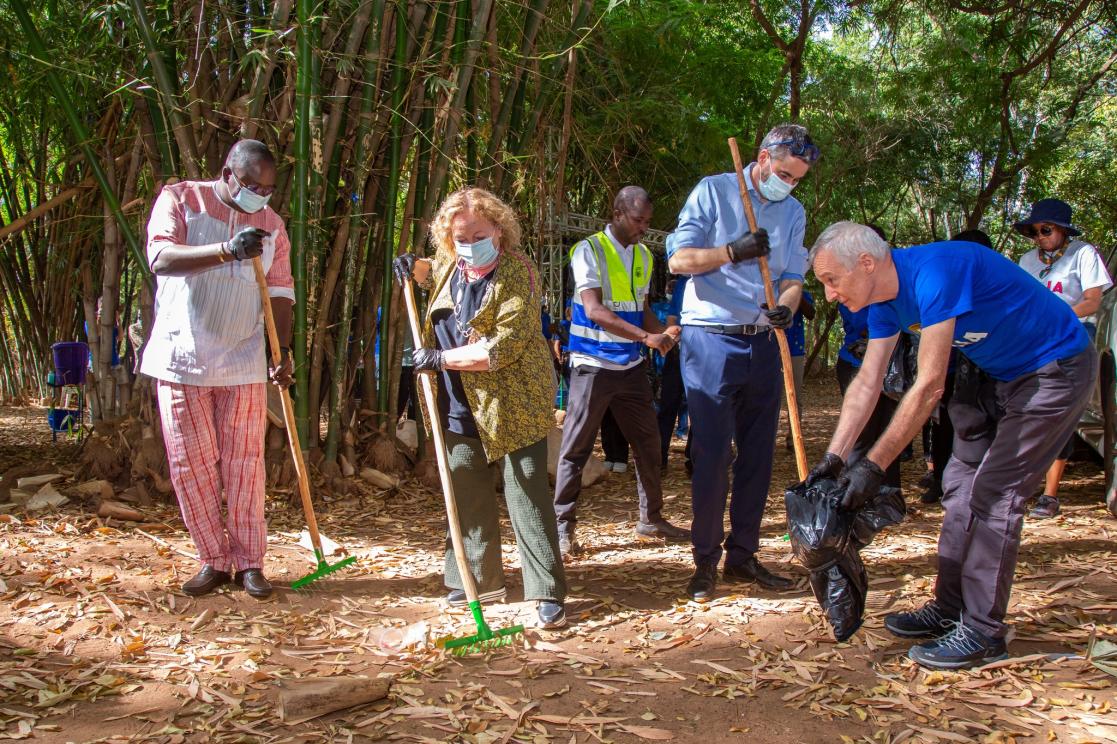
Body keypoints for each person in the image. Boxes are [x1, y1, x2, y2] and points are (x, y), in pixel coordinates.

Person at [809, 221, 1095, 670]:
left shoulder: (936, 270)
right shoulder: (883, 300)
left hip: (1053, 369)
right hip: (1000, 377)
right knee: (958, 486)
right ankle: (950, 609)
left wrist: (874, 466)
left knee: (996, 495)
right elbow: (867, 381)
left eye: (831, 280)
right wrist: (835, 457)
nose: (829, 294)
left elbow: (928, 386)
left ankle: (984, 632)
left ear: (866, 263)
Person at [391, 187, 568, 629]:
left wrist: (437, 359)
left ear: (499, 231)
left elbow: (502, 347)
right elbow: (431, 274)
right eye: (460, 236)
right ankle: (479, 578)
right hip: (458, 399)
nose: (469, 242)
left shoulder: (518, 273)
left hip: (513, 400)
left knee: (525, 488)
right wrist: (413, 267)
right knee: (465, 485)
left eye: (478, 233)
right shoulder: (454, 267)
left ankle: (545, 589)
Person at [668, 123, 819, 601]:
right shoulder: (714, 191)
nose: (788, 184)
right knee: (712, 455)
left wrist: (788, 309)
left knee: (757, 455)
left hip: (763, 340)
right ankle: (705, 560)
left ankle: (744, 554)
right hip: (709, 335)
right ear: (761, 157)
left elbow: (794, 277)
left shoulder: (793, 212)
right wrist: (731, 252)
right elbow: (678, 260)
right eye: (783, 173)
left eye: (797, 179)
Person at [141, 139, 295, 600]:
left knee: (246, 464)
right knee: (192, 465)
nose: (259, 197)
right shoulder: (182, 199)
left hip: (243, 359)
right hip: (181, 357)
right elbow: (160, 258)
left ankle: (250, 562)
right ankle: (212, 558)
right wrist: (227, 250)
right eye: (251, 186)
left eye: (267, 189)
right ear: (228, 174)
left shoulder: (272, 225)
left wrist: (280, 352)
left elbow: (282, 292)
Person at [553, 186, 690, 556]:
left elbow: (640, 306)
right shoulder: (589, 250)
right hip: (592, 365)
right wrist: (647, 336)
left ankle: (652, 517)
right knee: (576, 448)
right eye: (638, 220)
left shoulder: (644, 255)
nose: (644, 228)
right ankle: (562, 527)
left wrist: (659, 334)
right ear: (616, 213)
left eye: (647, 221)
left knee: (648, 444)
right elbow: (595, 310)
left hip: (630, 367)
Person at [1015, 199, 1112, 518]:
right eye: (1033, 231)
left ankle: (1050, 494)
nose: (1038, 236)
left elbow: (1092, 301)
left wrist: (1056, 315)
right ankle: (1021, 487)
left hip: (1071, 335)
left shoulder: (1083, 254)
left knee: (1059, 413)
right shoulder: (1028, 260)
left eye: (1045, 229)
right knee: (1027, 412)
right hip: (1033, 340)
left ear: (1063, 231)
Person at [657, 274, 689, 470]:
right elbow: (672, 318)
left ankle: (695, 459)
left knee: (701, 406)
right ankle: (659, 458)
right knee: (668, 405)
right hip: (678, 352)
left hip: (707, 353)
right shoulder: (684, 283)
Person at [784, 289, 815, 449]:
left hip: (795, 349)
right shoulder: (770, 287)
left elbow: (810, 314)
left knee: (795, 397)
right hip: (771, 347)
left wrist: (797, 292)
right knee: (768, 397)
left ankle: (793, 438)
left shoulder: (803, 292)